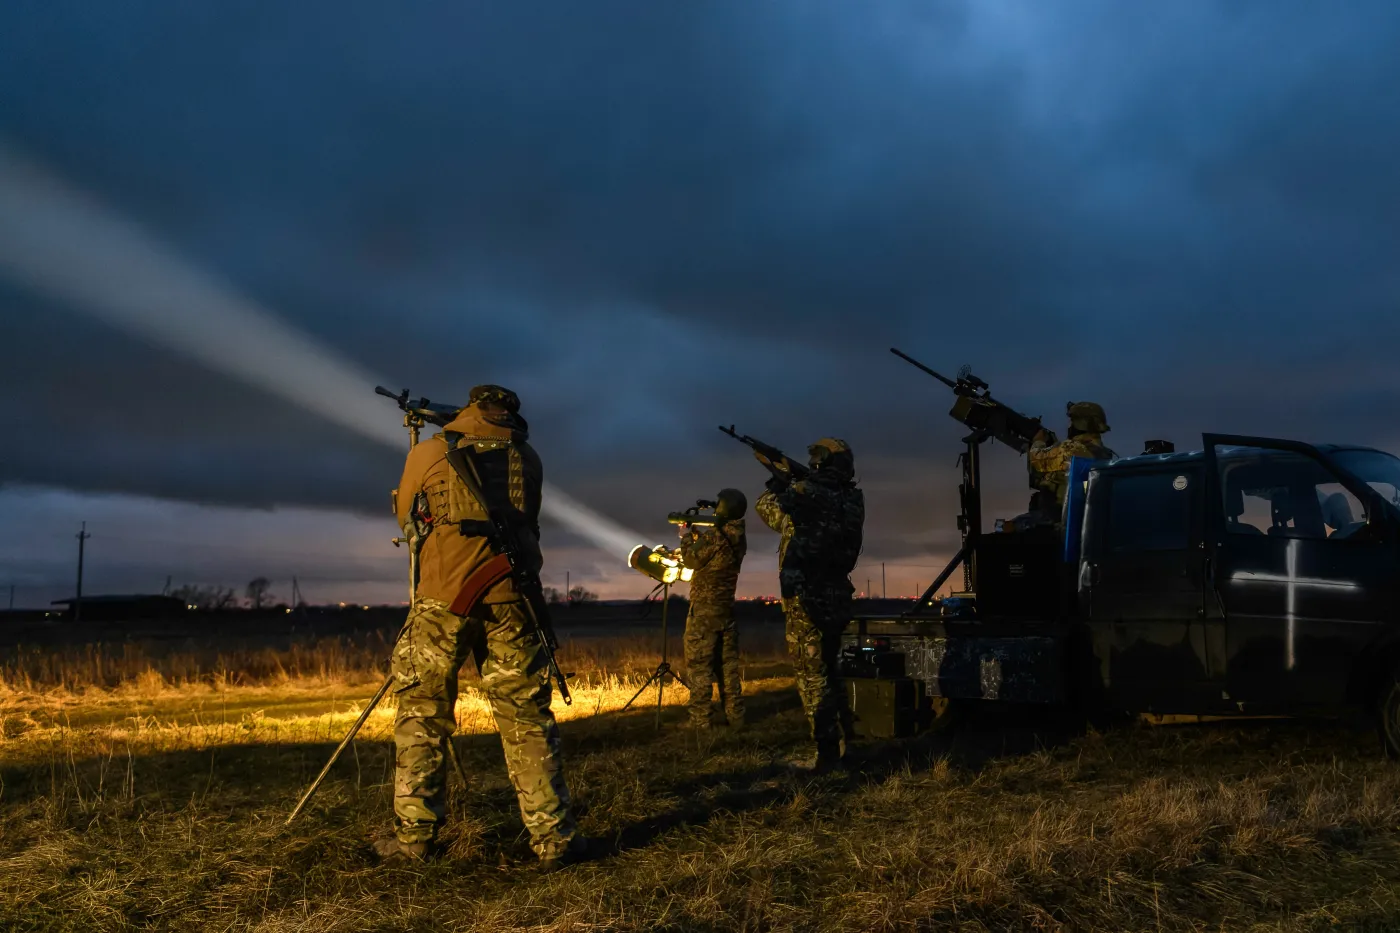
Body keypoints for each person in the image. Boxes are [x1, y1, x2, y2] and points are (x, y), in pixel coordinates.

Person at [378, 384, 583, 870]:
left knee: (422, 718)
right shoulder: (528, 458)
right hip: (514, 600)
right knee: (528, 721)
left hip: (444, 601)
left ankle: (415, 840)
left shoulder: (430, 451)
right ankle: (554, 840)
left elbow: (407, 518)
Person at [754, 438, 864, 771]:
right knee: (832, 670)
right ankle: (848, 744)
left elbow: (767, 508)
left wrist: (778, 478)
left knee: (810, 675)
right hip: (836, 594)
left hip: (806, 596)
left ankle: (827, 754)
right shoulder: (852, 498)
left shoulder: (807, 494)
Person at [678, 488, 749, 729]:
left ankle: (700, 720)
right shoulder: (738, 536)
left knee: (699, 666)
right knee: (727, 667)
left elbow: (691, 560)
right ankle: (736, 716)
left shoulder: (715, 536)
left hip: (704, 612)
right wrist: (699, 534)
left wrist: (685, 536)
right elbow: (711, 552)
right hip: (726, 611)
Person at [1026, 401, 1116, 521]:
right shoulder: (1103, 453)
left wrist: (1038, 441)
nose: (1069, 426)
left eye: (1072, 421)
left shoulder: (1072, 448)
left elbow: (1038, 461)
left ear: (1081, 424)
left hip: (1062, 520)